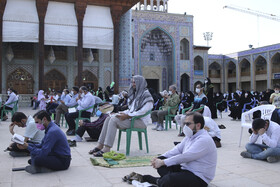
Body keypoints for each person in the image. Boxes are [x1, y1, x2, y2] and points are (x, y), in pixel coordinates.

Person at [139, 112, 217, 187]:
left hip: (198, 177)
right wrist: (160, 158)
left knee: (169, 179)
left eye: (188, 124)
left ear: (198, 125)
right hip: (185, 169)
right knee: (162, 165)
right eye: (184, 123)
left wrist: (163, 162)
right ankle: (167, 181)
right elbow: (177, 150)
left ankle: (160, 181)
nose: (185, 126)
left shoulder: (204, 139)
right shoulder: (190, 136)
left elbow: (186, 157)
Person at [89, 75, 154, 157]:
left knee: (113, 120)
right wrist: (118, 113)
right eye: (132, 82)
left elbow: (142, 111)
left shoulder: (146, 95)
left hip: (140, 121)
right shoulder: (136, 94)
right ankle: (100, 145)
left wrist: (128, 116)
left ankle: (107, 148)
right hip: (132, 118)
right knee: (109, 118)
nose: (133, 84)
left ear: (140, 83)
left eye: (135, 82)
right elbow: (131, 109)